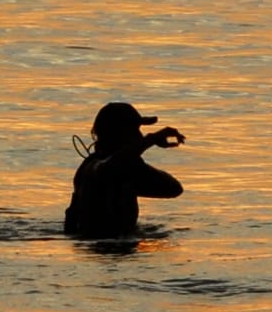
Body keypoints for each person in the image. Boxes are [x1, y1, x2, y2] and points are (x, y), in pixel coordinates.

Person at [63, 101, 185, 239]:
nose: (139, 136)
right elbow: (108, 168)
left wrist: (135, 159)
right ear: (120, 133)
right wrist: (149, 141)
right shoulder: (93, 168)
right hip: (107, 249)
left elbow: (173, 189)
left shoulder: (123, 169)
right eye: (135, 130)